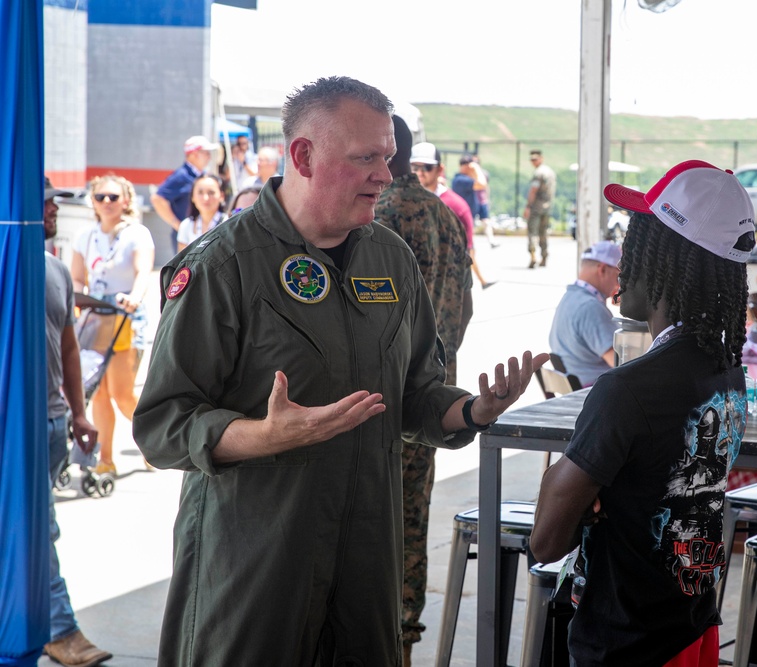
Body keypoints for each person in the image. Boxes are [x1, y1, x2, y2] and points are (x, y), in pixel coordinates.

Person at [131, 76, 545, 667]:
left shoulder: (390, 258)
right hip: (255, 568)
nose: (386, 173)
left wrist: (473, 410)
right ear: (303, 155)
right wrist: (263, 437)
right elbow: (161, 425)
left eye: (390, 157)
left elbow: (414, 394)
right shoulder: (223, 267)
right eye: (367, 158)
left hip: (366, 569)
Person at [532, 159, 753, 667]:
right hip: (691, 620)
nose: (622, 258)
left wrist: (590, 489)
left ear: (663, 259)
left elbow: (546, 540)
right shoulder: (726, 371)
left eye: (635, 241)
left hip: (624, 639)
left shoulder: (625, 391)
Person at [375, 115, 474, 667]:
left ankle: (382, 642)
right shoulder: (443, 211)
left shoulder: (377, 215)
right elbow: (464, 305)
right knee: (413, 520)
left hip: (389, 399)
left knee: (374, 525)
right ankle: (404, 643)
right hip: (437, 396)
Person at [40, 177, 113, 667]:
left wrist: (80, 412)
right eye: (46, 202)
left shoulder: (54, 269)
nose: (54, 211)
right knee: (35, 529)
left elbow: (68, 344)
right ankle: (59, 629)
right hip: (15, 428)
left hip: (50, 421)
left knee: (34, 528)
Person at [70, 174, 154, 477]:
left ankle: (152, 441)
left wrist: (134, 296)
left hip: (124, 317)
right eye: (100, 197)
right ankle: (105, 459)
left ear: (126, 201)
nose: (106, 202)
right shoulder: (85, 235)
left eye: (113, 197)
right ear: (92, 201)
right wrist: (79, 297)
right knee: (99, 392)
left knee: (122, 392)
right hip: (95, 316)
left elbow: (143, 271)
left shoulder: (137, 233)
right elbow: (77, 276)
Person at [411, 141, 496, 289]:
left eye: (427, 167)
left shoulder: (455, 206)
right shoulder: (400, 201)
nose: (419, 172)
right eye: (415, 167)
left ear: (439, 169)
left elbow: (465, 251)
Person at [548, 240, 622, 386]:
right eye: (618, 276)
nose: (619, 284)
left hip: (578, 386)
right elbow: (620, 362)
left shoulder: (570, 297)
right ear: (602, 270)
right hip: (595, 392)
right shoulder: (590, 307)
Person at [150, 135, 219, 254]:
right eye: (206, 153)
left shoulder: (199, 175)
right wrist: (177, 224)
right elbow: (157, 199)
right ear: (194, 154)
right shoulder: (182, 175)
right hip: (186, 237)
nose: (209, 157)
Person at [523, 149, 556, 268]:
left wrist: (528, 206)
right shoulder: (550, 172)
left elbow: (533, 191)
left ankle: (533, 256)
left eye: (535, 159)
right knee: (543, 232)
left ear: (540, 159)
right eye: (532, 159)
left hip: (537, 207)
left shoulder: (538, 173)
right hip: (547, 206)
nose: (533, 162)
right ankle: (544, 255)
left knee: (533, 231)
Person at [176, 173, 226, 251]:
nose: (205, 198)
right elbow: (182, 261)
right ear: (192, 197)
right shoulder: (186, 225)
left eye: (211, 193)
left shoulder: (228, 222)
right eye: (200, 193)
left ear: (222, 196)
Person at [471, 155, 499, 248]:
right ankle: (470, 242)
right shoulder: (469, 174)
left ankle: (491, 241)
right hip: (473, 200)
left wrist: (488, 199)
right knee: (470, 222)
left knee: (486, 222)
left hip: (482, 200)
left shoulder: (484, 173)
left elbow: (486, 186)